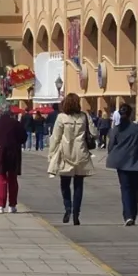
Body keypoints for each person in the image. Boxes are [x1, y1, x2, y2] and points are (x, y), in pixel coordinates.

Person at [47, 93, 95, 225]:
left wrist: (51, 155)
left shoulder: (61, 117)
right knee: (79, 185)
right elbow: (94, 133)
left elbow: (55, 138)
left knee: (65, 184)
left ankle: (68, 207)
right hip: (81, 153)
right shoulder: (84, 116)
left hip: (65, 153)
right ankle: (76, 213)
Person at [107, 103, 138, 225]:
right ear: (130, 114)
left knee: (125, 189)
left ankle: (128, 215)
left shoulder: (116, 129)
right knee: (134, 190)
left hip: (121, 162)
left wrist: (113, 155)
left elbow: (110, 146)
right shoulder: (137, 128)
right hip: (135, 162)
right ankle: (133, 214)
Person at [0, 105, 28, 213]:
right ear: (10, 112)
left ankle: (0, 205)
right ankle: (12, 205)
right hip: (13, 153)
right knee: (12, 179)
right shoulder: (15, 124)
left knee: (0, 179)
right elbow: (24, 137)